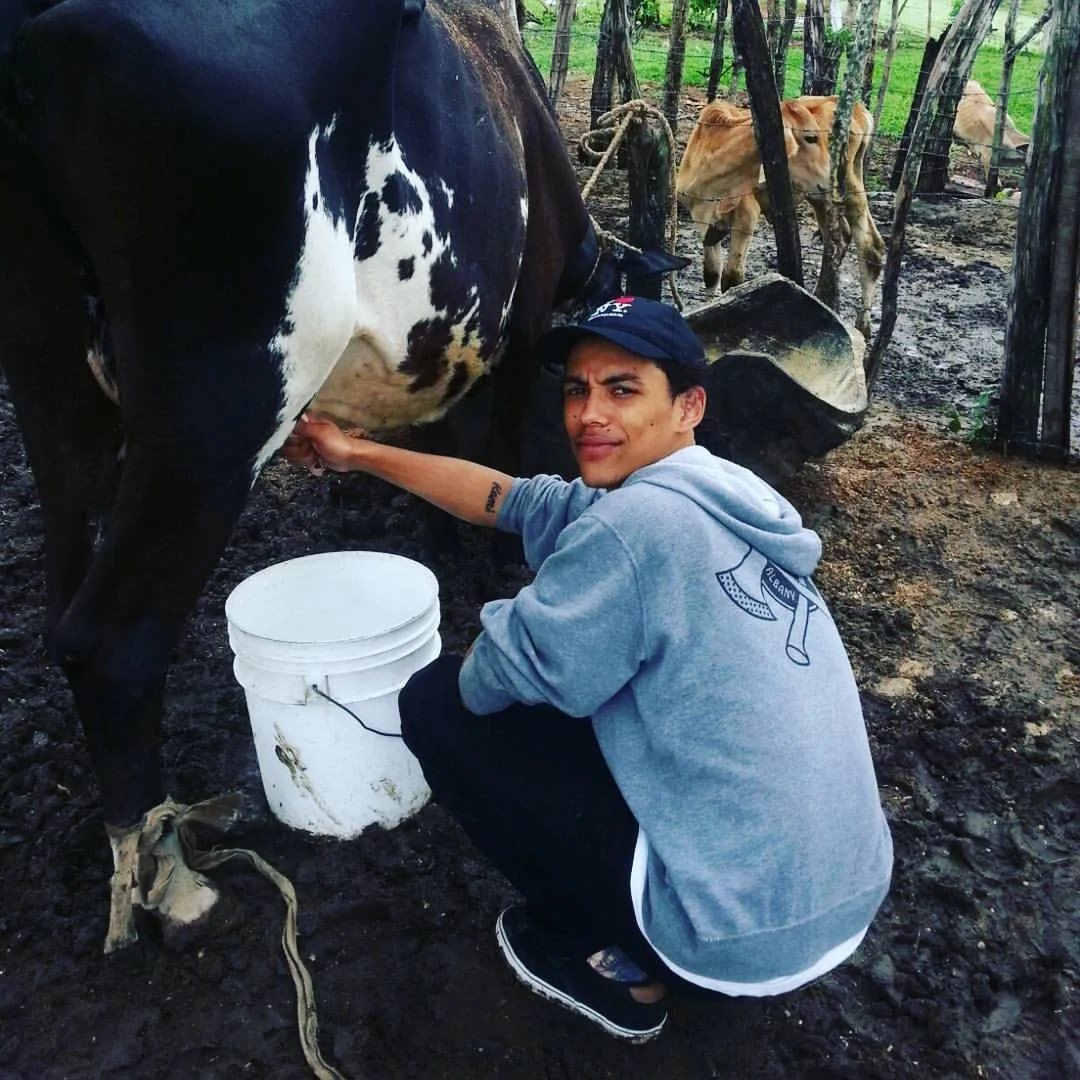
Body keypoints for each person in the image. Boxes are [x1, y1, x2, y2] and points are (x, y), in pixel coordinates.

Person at [282, 295, 893, 1044]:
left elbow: (487, 678)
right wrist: (361, 452)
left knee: (437, 704)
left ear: (689, 405)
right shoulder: (724, 495)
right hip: (840, 894)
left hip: (731, 943)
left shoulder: (635, 529)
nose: (588, 413)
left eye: (622, 388)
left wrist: (530, 618)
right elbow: (511, 500)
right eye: (577, 389)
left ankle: (624, 973)